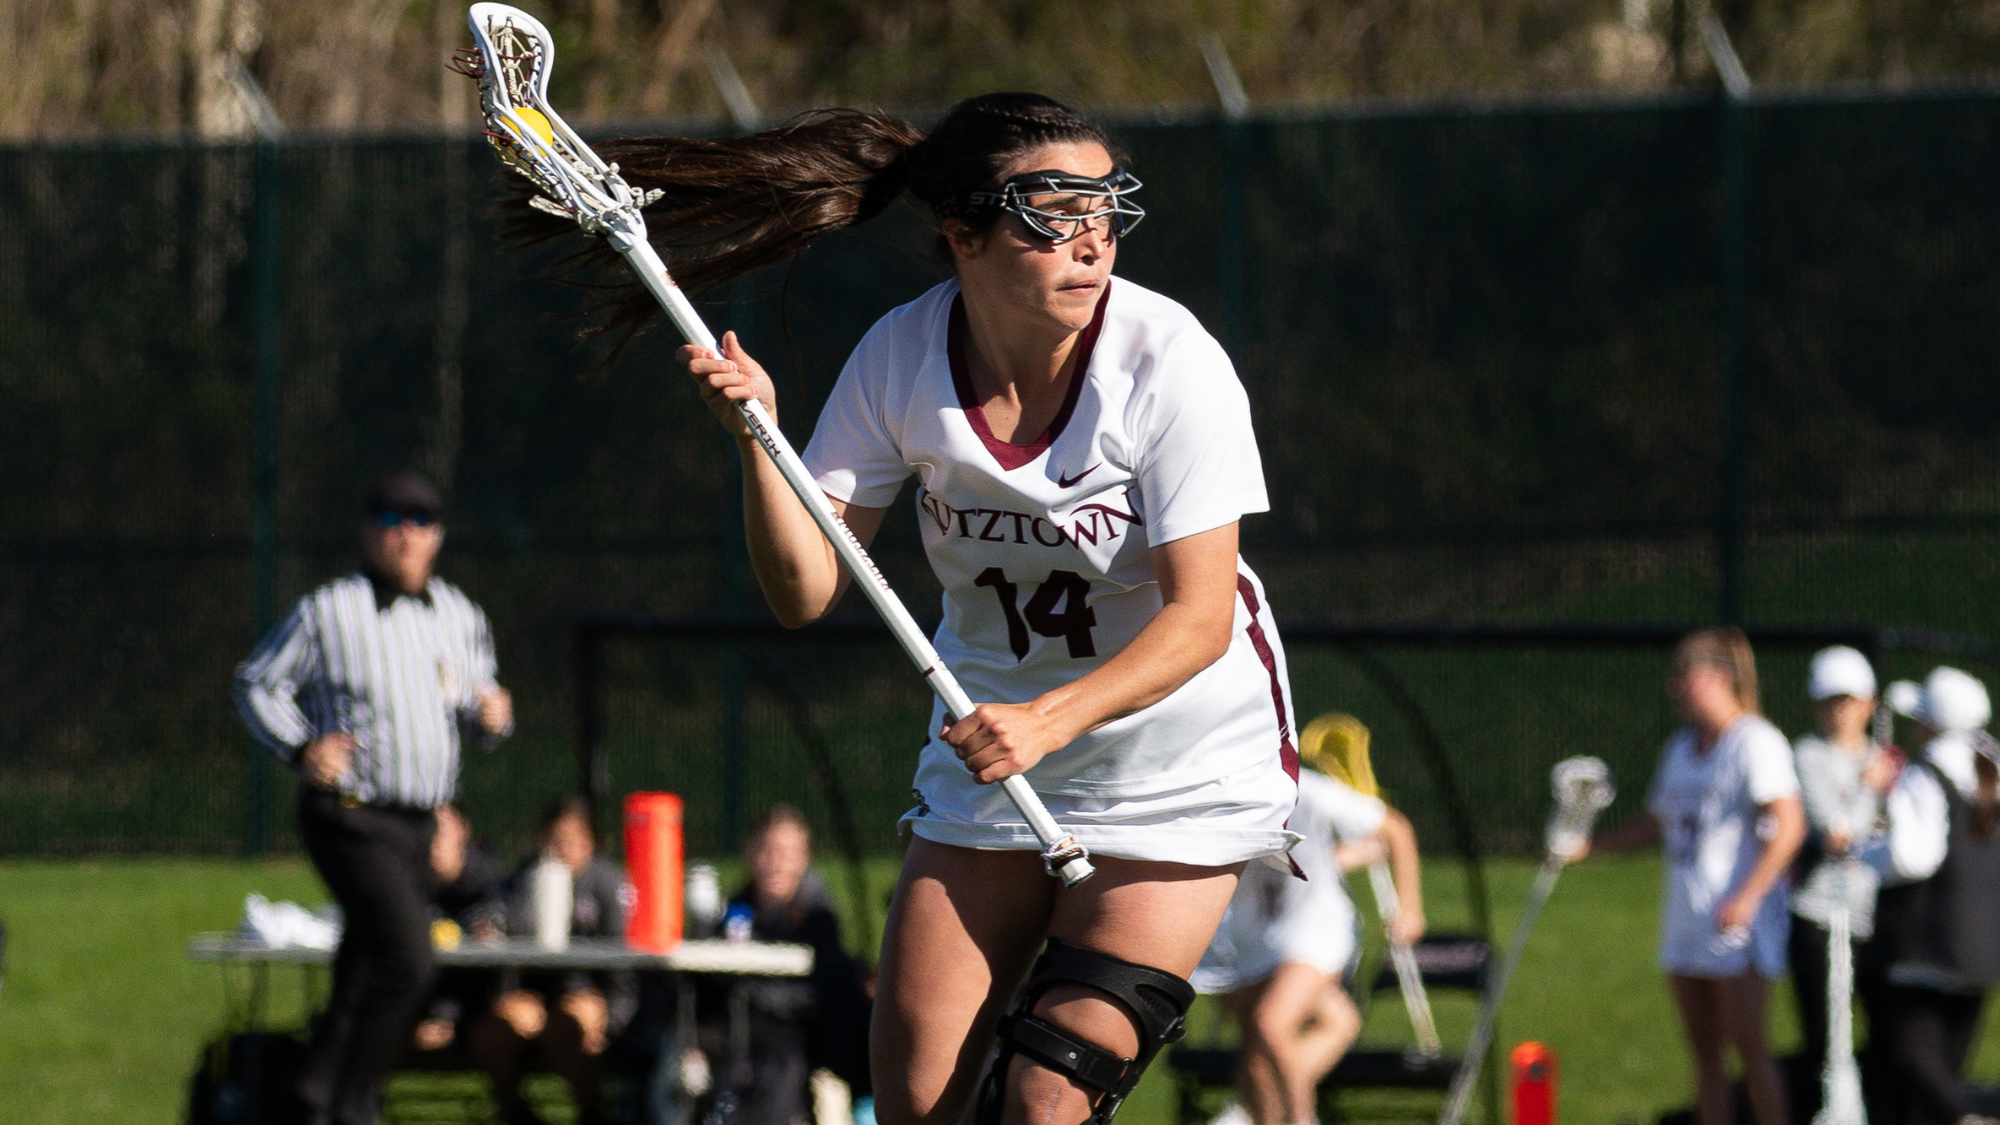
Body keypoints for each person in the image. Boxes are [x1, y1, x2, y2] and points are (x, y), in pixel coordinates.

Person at [628, 93, 1301, 1125]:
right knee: (914, 1105)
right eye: (1050, 212)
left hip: (1178, 768)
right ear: (962, 232)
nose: (1089, 240)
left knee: (1044, 1098)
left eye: (1105, 209)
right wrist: (756, 442)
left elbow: (1200, 620)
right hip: (991, 760)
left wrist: (1046, 720)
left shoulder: (1169, 363)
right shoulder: (900, 357)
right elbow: (804, 589)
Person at [234, 470, 514, 1125]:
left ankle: (312, 1098)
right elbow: (255, 683)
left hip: (420, 827)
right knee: (410, 961)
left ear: (437, 536)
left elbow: (477, 711)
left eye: (420, 521)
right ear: (368, 532)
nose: (406, 534)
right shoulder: (329, 610)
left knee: (364, 970)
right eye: (391, 520)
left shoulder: (460, 615)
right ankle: (351, 1102)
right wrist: (302, 747)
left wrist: (496, 716)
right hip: (352, 815)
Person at [1582, 627, 1804, 1125]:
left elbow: (1789, 826)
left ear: (1721, 677)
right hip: (1686, 915)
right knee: (1703, 1051)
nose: (1676, 687)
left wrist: (1747, 896)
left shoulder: (1755, 742)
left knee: (1749, 1045)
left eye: (1686, 675)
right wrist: (1589, 848)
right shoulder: (1681, 747)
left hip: (1736, 923)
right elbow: (1657, 820)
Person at [1190, 715, 1425, 1125]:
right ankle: (1251, 1116)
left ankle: (1300, 1119)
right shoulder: (1211, 802)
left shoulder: (1311, 793)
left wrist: (1411, 910)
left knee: (1271, 1024)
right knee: (1301, 1037)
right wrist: (1340, 859)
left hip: (1317, 932)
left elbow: (1396, 829)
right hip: (1253, 938)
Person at [1858, 667, 2000, 1125]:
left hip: (1924, 945)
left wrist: (1864, 852)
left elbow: (1911, 857)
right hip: (1981, 950)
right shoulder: (1990, 766)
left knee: (1908, 1057)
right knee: (1942, 1073)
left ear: (1930, 723)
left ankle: (1971, 1117)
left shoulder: (1926, 773)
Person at [469, 796, 636, 1125]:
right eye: (555, 839)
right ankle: (517, 1111)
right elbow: (497, 913)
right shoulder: (526, 878)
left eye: (573, 840)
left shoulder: (606, 882)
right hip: (534, 992)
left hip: (587, 993)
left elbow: (623, 961)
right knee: (495, 1030)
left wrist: (615, 1018)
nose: (563, 849)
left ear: (591, 842)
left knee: (566, 1027)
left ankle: (592, 1112)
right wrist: (490, 927)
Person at [704, 806, 873, 1125]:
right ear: (750, 853)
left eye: (788, 853)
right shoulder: (732, 914)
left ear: (804, 858)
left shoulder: (819, 919)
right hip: (737, 1043)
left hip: (804, 1048)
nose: (777, 863)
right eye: (768, 851)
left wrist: (756, 991)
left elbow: (825, 996)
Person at [1785, 645, 1885, 1113]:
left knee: (1885, 1040)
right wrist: (1870, 786)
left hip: (1880, 918)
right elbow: (1835, 833)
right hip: (1823, 916)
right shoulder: (1807, 755)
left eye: (1849, 699)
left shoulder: (1886, 758)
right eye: (1830, 700)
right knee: (1826, 1045)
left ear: (1869, 702)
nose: (1840, 710)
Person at [411, 804, 507, 1056]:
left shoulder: (489, 880)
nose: (435, 841)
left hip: (478, 1009)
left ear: (463, 832)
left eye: (442, 831)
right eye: (427, 830)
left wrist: (451, 1020)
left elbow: (493, 975)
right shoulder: (406, 881)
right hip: (418, 1009)